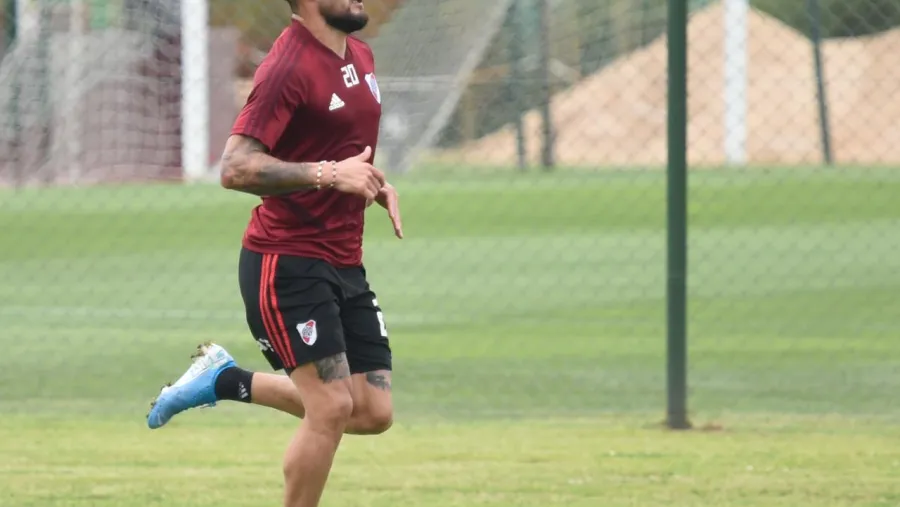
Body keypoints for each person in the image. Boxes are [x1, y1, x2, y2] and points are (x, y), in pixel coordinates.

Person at [145, 1, 402, 506]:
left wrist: (369, 181)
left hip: (343, 259)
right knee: (329, 407)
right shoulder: (288, 66)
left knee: (371, 410)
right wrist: (331, 174)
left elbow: (336, 146)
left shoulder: (360, 56)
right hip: (286, 262)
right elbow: (235, 168)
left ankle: (225, 380)